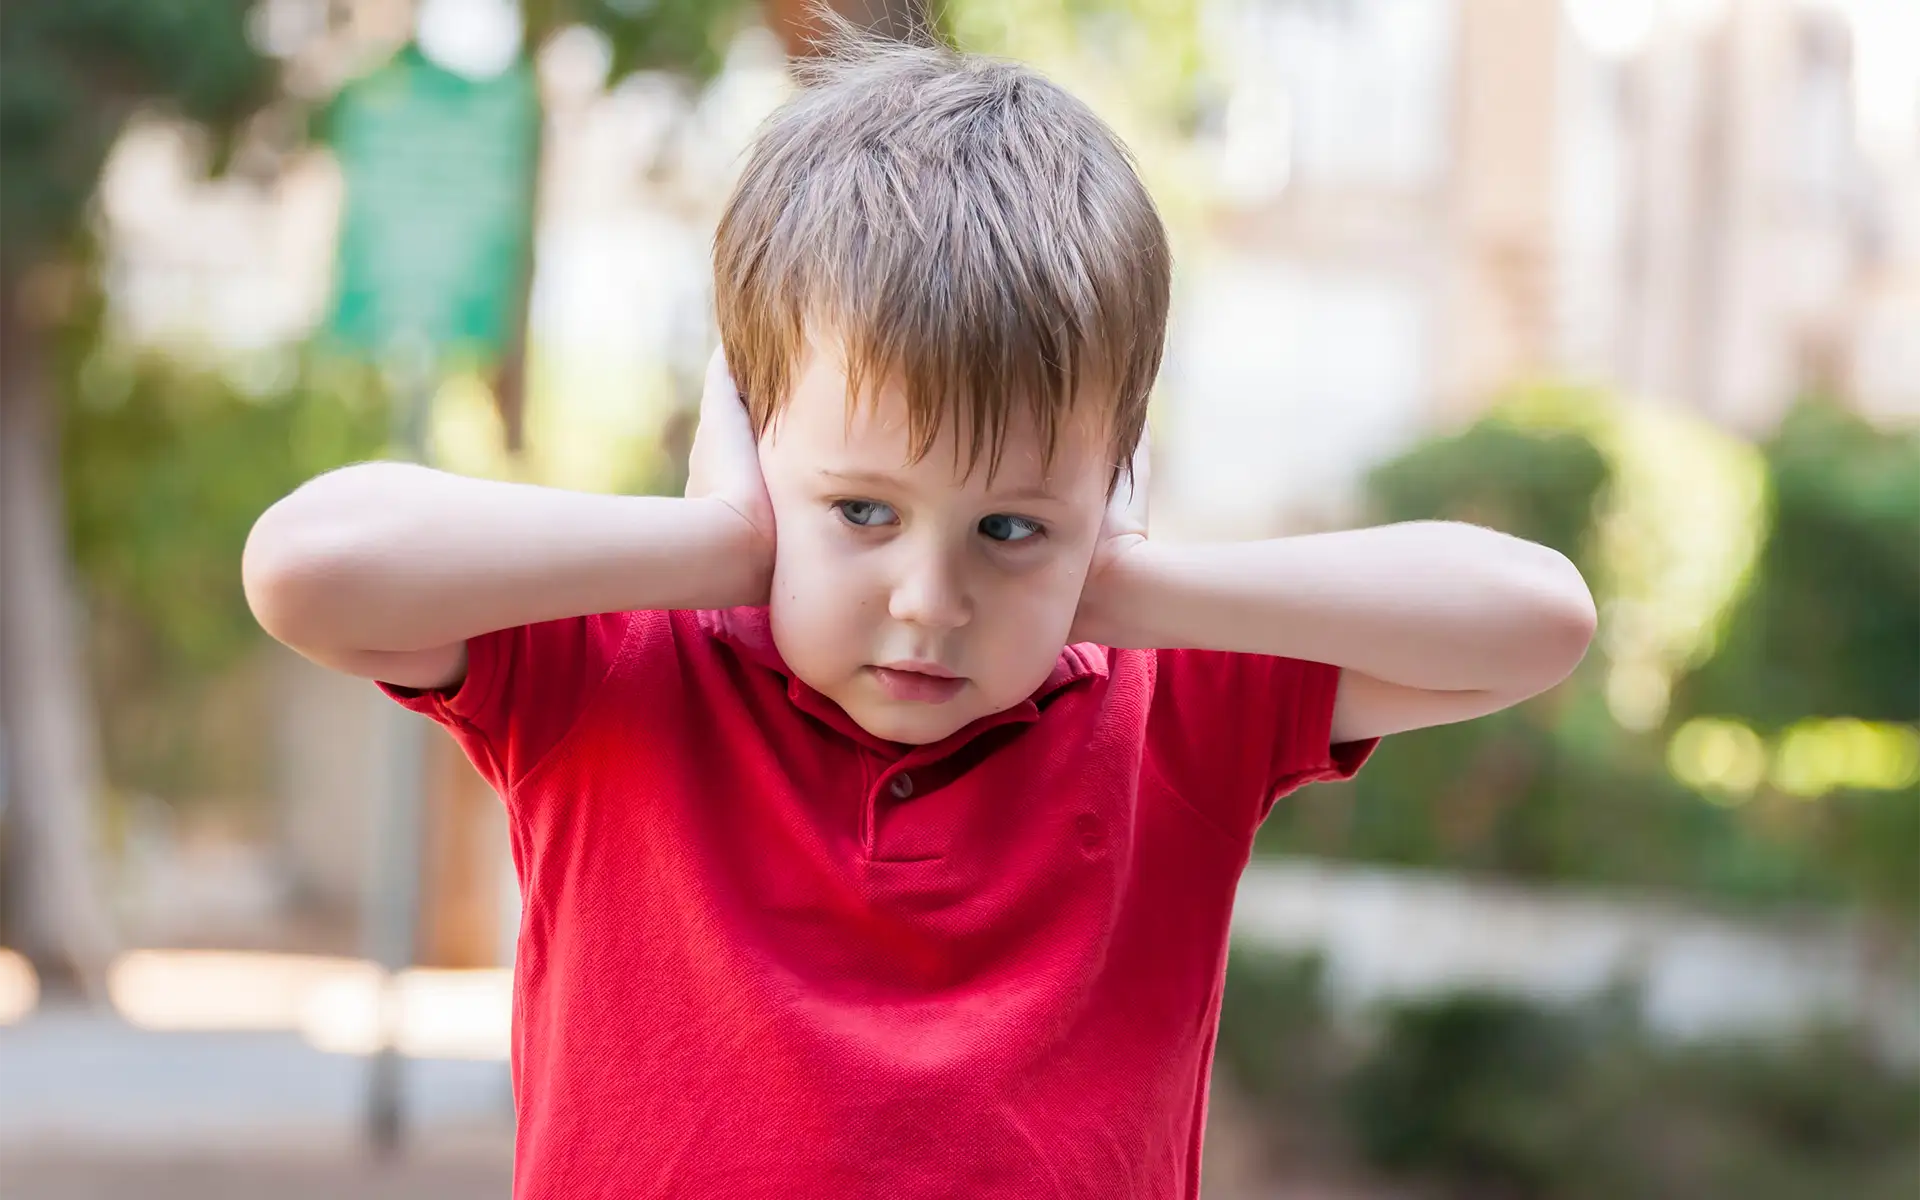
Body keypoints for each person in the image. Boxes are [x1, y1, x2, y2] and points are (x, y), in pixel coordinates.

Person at [243, 27, 1595, 1200]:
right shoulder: (617, 675)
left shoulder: (1171, 706)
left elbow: (1539, 618)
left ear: (1110, 493)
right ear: (754, 441)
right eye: (862, 512)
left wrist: (1116, 583)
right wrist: (718, 543)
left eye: (1010, 526)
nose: (930, 603)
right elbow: (307, 565)